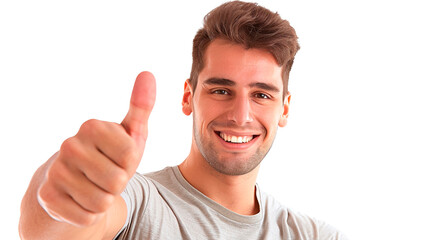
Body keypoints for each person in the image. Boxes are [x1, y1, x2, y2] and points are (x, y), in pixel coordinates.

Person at [19, 1, 348, 239]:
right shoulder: (140, 202)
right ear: (188, 97)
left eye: (261, 95)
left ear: (285, 108)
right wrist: (57, 200)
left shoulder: (315, 235)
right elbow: (56, 230)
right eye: (221, 90)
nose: (241, 116)